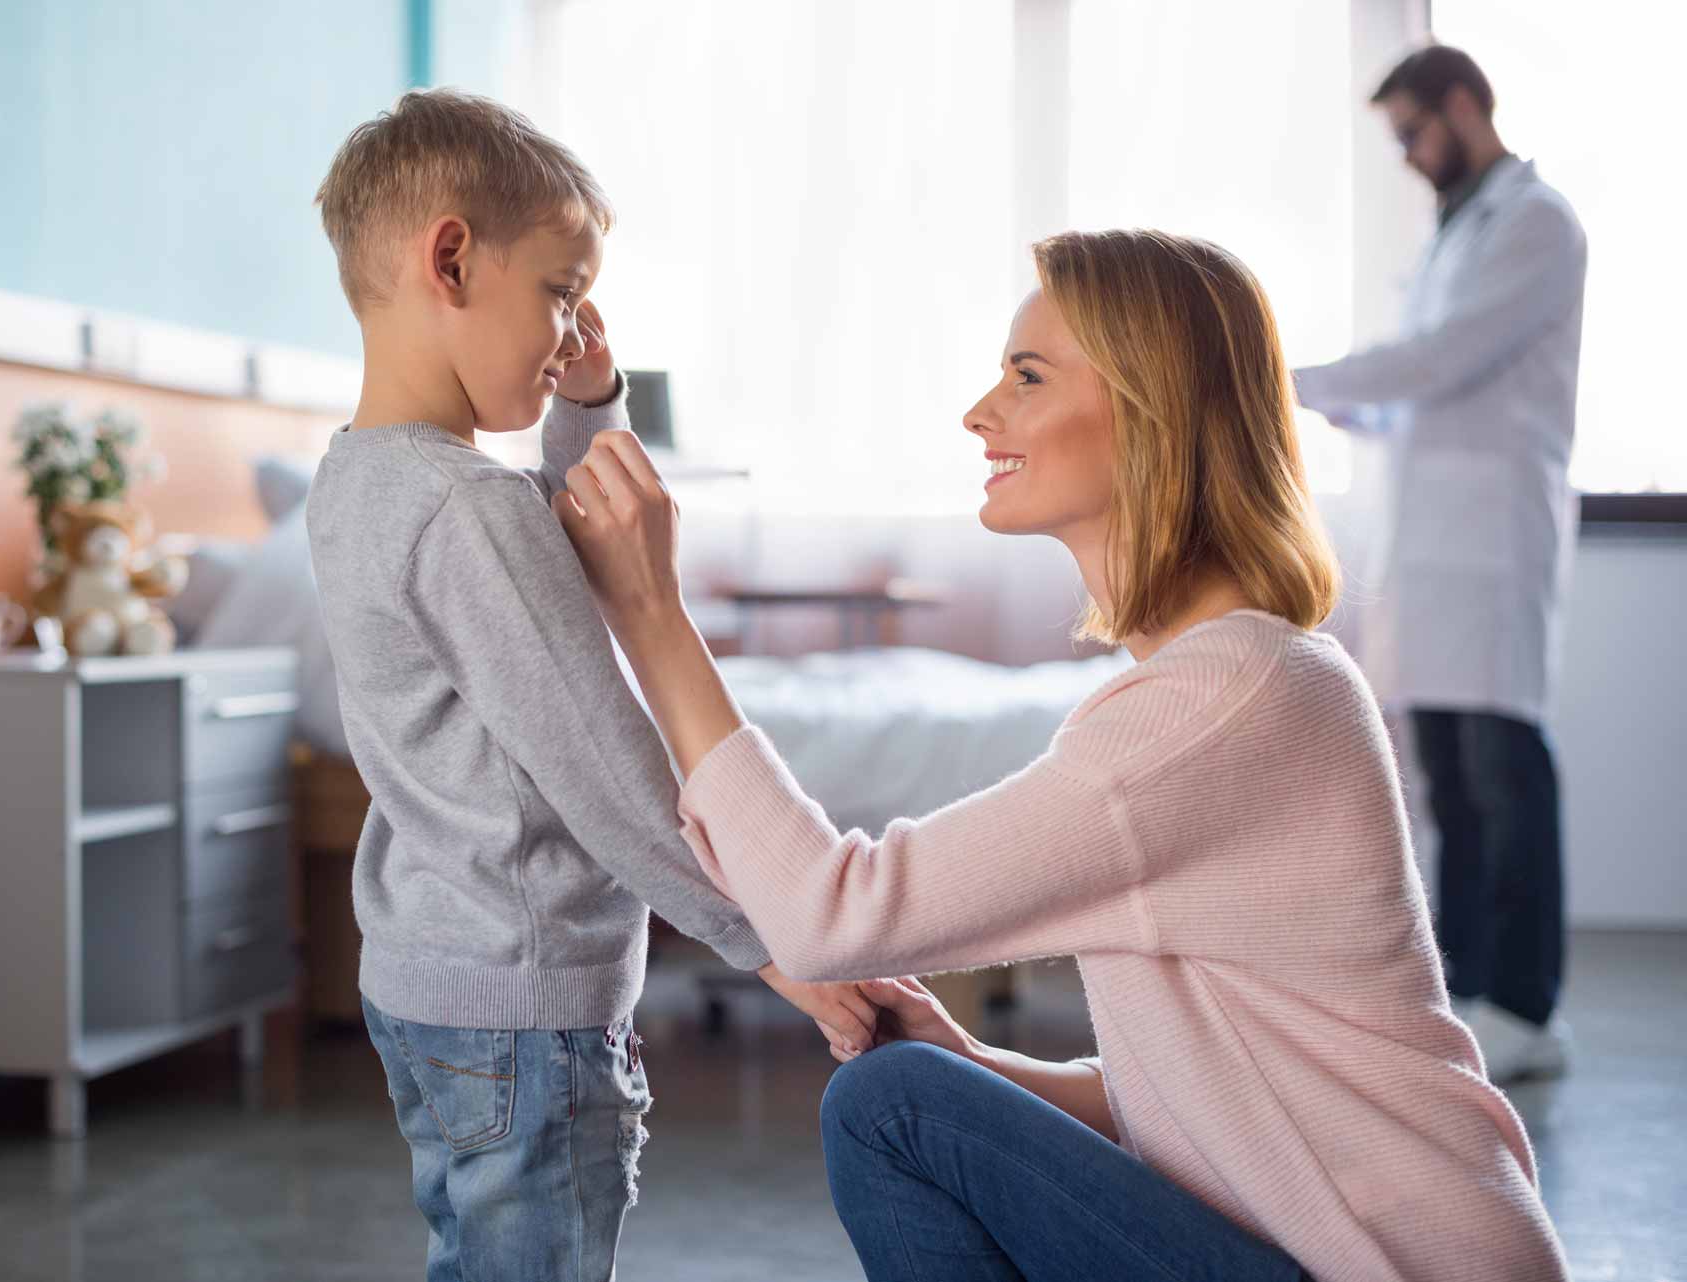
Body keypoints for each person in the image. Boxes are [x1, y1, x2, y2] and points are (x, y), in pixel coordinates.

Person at [554, 229, 1568, 1280]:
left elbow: (827, 916)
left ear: (1149, 411)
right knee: (918, 1085)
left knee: (888, 1106)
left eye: (1026, 377)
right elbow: (1198, 1100)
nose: (980, 413)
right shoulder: (1248, 678)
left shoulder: (1217, 702)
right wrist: (976, 1061)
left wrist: (650, 610)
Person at [304, 89, 878, 1282]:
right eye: (559, 293)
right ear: (451, 258)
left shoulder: (362, 481)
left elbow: (557, 558)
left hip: (430, 977)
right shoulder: (467, 508)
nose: (571, 331)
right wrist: (765, 938)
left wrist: (586, 410)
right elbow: (602, 759)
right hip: (527, 1002)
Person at [1293, 45, 1586, 1083]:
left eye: (1416, 130)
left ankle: (1526, 1004)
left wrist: (1283, 375)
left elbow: (1442, 362)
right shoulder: (1450, 236)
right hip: (1429, 543)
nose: (1412, 155)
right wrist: (1340, 402)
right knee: (1450, 784)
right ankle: (1464, 992)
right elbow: (1408, 393)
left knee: (1506, 771)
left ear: (1465, 104)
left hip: (1495, 538)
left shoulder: (1538, 226)